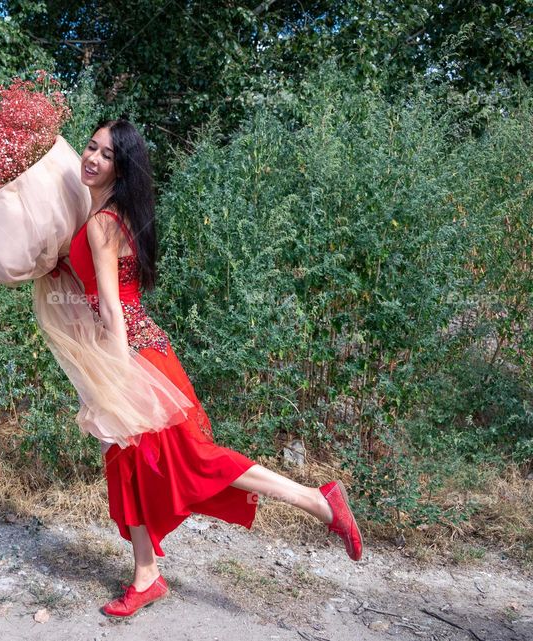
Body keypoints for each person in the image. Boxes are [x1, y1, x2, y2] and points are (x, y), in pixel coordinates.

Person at [62, 117, 364, 618]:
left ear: (122, 167)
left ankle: (319, 501)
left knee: (195, 460)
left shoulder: (101, 223)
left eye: (106, 154)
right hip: (136, 350)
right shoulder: (112, 215)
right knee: (126, 466)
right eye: (91, 147)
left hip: (130, 356)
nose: (92, 158)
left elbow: (113, 309)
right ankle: (146, 576)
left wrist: (114, 381)